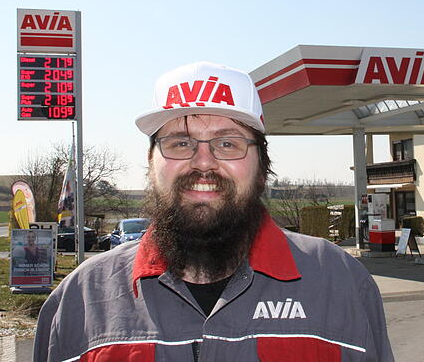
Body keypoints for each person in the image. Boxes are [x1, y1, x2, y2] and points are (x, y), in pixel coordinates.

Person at [33, 62, 394, 361]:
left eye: (227, 143)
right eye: (180, 143)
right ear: (150, 161)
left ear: (262, 164)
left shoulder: (339, 282)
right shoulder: (80, 299)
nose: (203, 163)